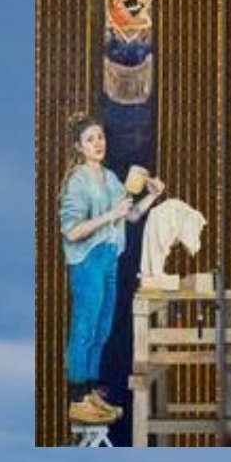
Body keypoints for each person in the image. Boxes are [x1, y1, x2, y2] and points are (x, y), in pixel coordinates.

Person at [55, 113, 160, 426]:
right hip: (88, 259)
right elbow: (72, 231)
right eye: (90, 139)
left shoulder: (111, 178)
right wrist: (111, 214)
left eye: (100, 137)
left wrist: (152, 196)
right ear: (79, 147)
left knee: (101, 330)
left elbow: (131, 216)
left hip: (110, 258)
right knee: (84, 328)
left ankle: (90, 395)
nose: (98, 143)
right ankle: (77, 400)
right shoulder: (77, 181)